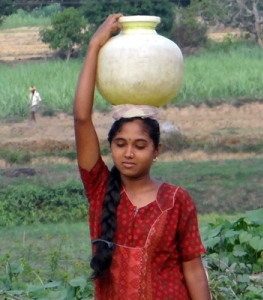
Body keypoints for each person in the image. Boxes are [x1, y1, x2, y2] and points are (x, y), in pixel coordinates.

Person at [73, 14, 211, 300]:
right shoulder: (99, 189)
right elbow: (81, 118)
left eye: (139, 145)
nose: (128, 153)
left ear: (156, 150)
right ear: (110, 146)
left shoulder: (176, 200)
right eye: (120, 144)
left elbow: (193, 269)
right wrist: (93, 46)